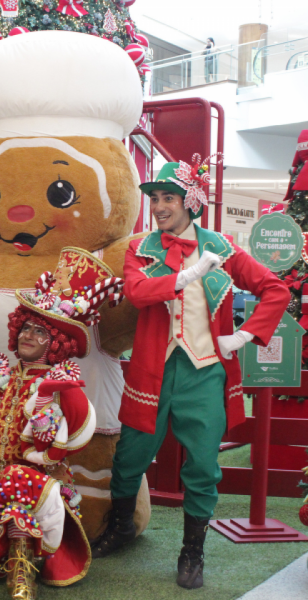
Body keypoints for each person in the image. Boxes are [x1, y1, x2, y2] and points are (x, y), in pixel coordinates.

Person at [89, 157, 290, 589]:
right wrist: (187, 274)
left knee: (202, 465)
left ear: (189, 202)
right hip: (151, 370)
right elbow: (139, 293)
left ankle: (192, 550)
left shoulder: (221, 247)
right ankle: (122, 526)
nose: (159, 206)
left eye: (168, 198)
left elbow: (275, 288)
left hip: (204, 373)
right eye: (156, 198)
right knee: (130, 457)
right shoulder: (140, 247)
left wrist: (244, 337)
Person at [0, 247, 123, 600]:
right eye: (26, 328)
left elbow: (77, 435)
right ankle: (7, 552)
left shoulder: (62, 381)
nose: (28, 336)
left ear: (57, 343)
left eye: (40, 332)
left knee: (20, 479)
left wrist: (54, 392)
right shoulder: (4, 376)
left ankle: (22, 577)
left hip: (35, 490)